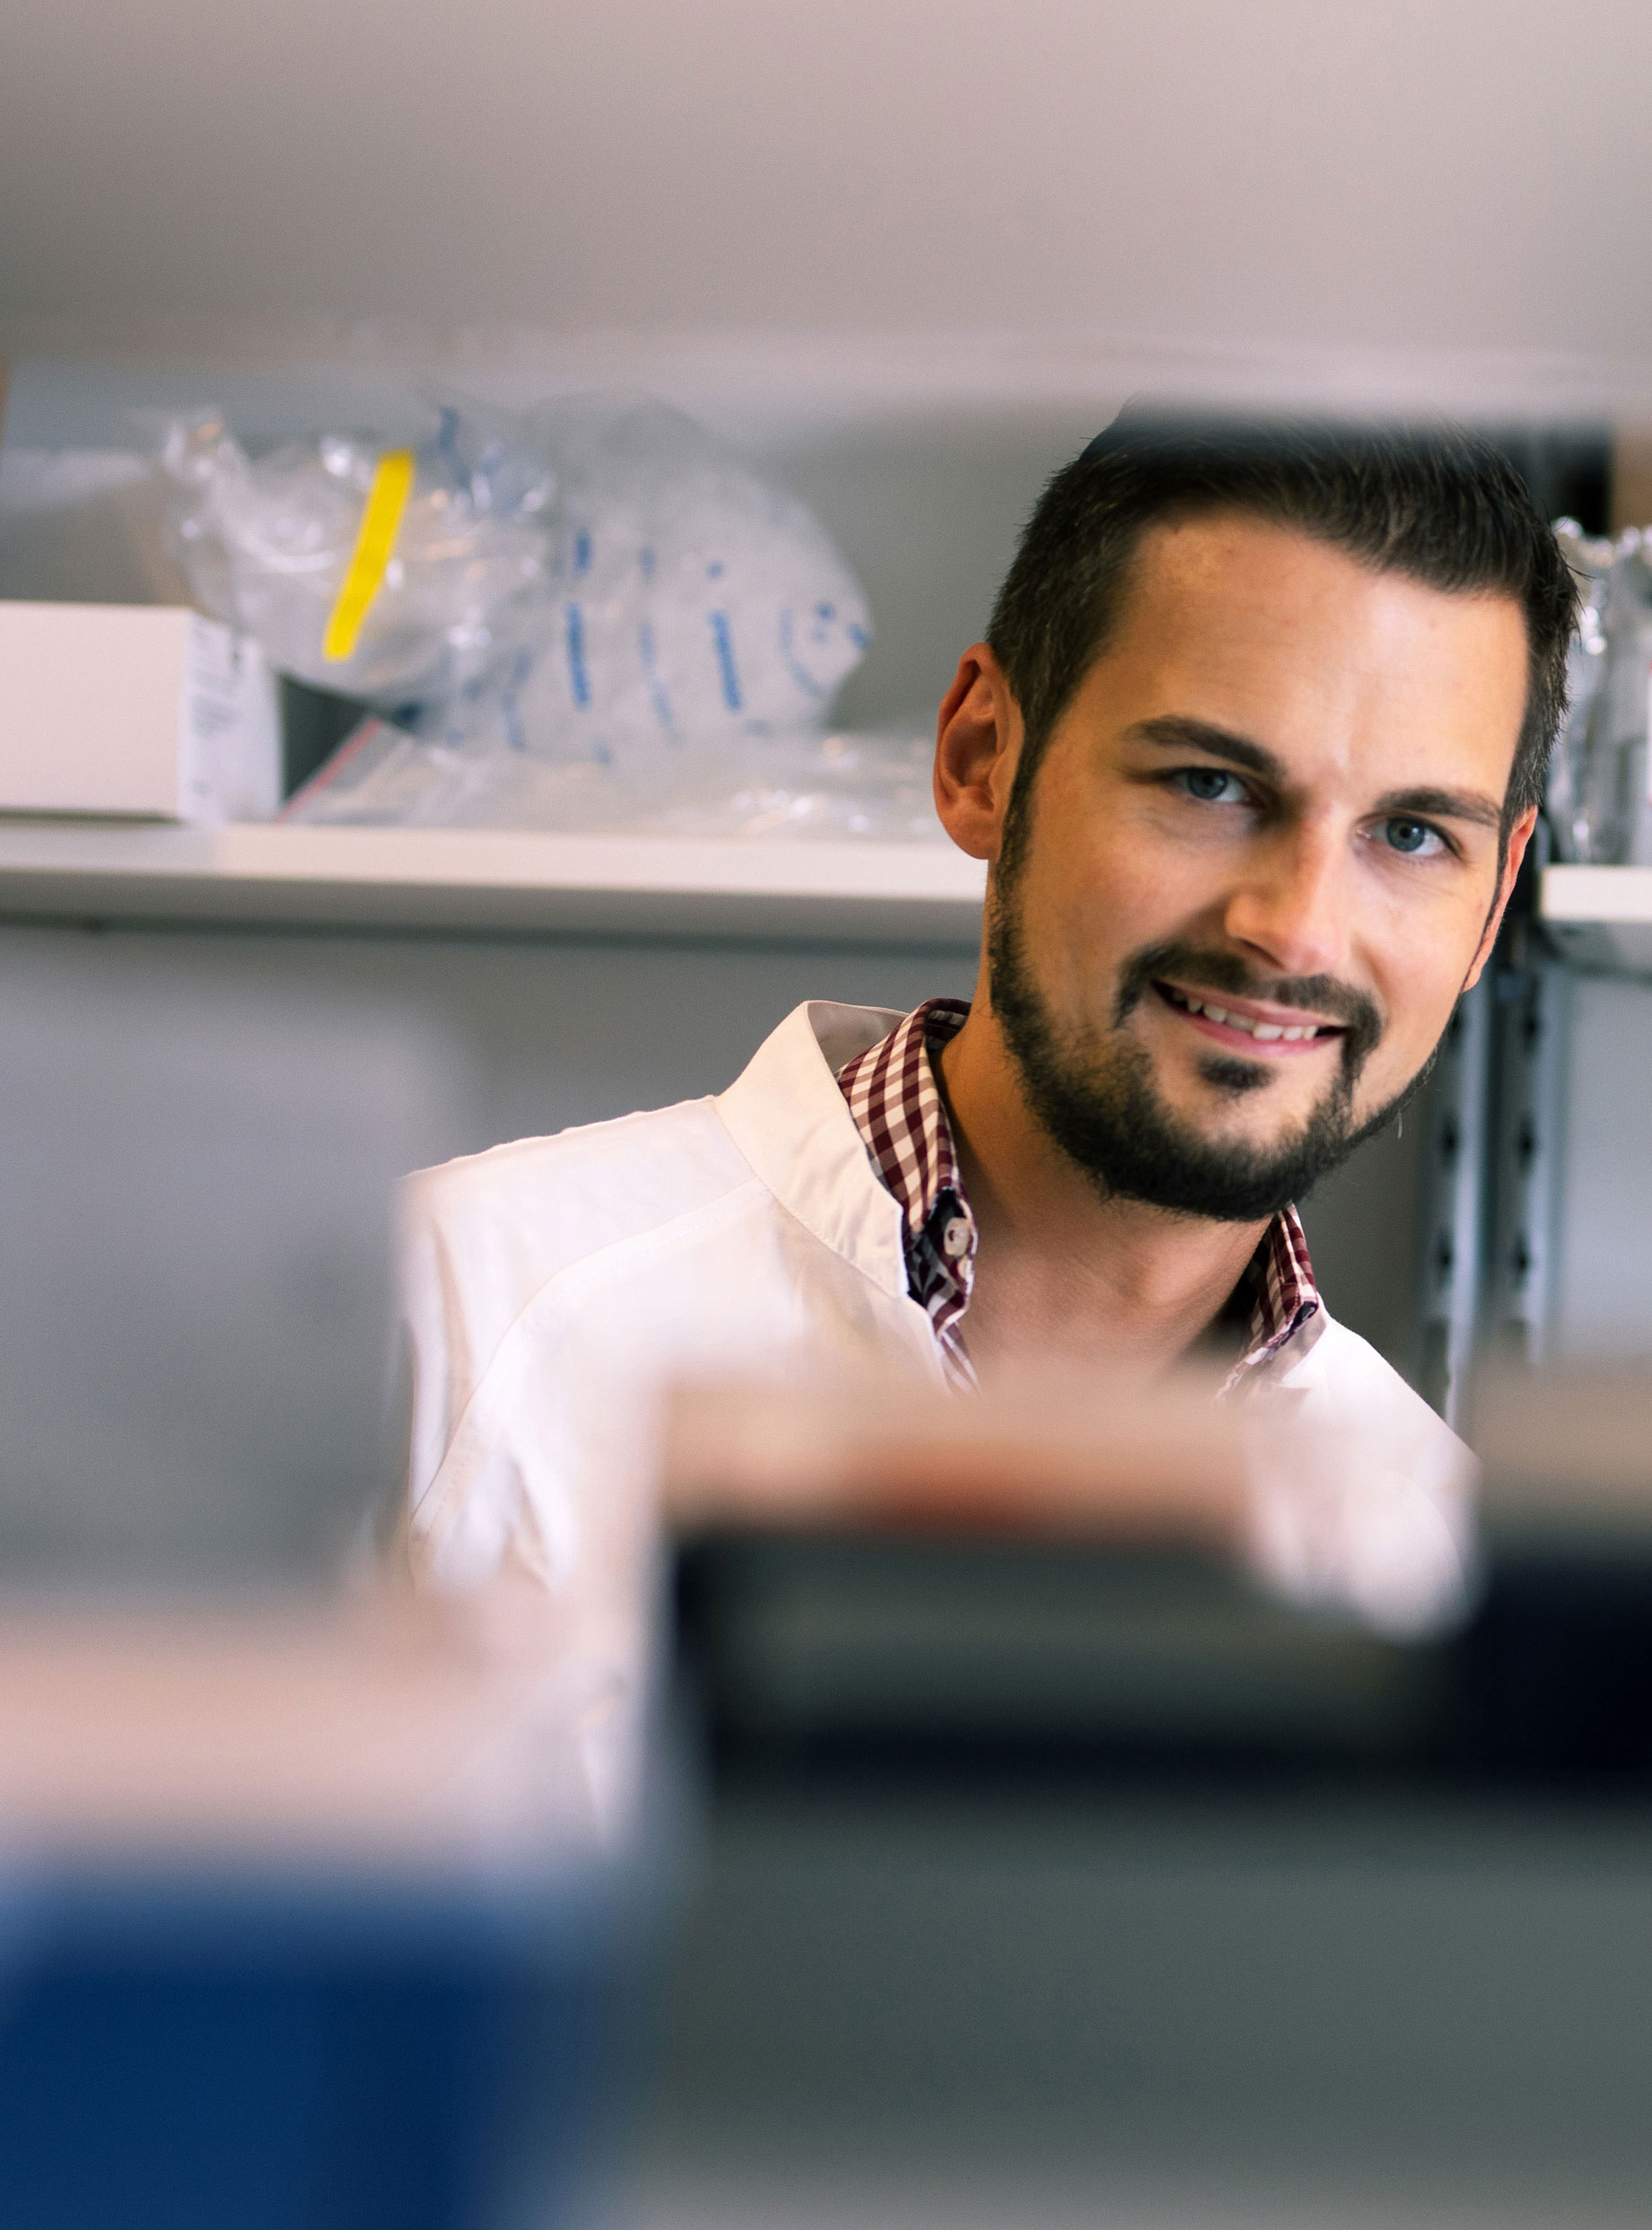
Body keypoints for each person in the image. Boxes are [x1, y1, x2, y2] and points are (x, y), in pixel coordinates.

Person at [395, 417, 1568, 1631]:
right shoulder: (458, 1315)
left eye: (1413, 835)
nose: (1298, 931)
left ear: (1493, 903)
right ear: (981, 759)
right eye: (1210, 784)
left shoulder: (1443, 1556)